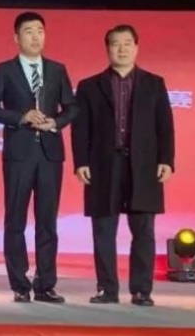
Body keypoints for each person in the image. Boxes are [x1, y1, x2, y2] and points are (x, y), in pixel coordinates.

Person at [72, 24, 175, 307]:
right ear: (107, 49)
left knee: (144, 231)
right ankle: (107, 289)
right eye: (116, 44)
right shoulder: (89, 86)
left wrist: (166, 160)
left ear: (136, 47)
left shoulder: (154, 84)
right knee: (104, 230)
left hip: (144, 166)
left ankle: (141, 290)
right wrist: (81, 161)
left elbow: (165, 126)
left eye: (127, 43)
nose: (122, 49)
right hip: (103, 165)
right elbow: (80, 128)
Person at [0, 12, 77, 303]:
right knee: (15, 220)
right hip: (19, 154)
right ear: (16, 37)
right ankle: (20, 285)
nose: (35, 37)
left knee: (47, 221)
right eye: (28, 31)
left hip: (50, 153)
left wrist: (56, 122)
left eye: (39, 31)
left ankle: (45, 284)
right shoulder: (4, 70)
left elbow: (72, 107)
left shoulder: (57, 69)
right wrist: (20, 117)